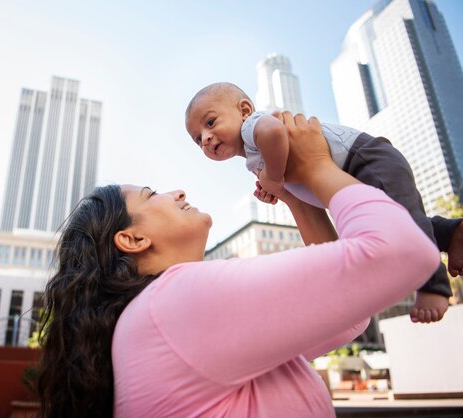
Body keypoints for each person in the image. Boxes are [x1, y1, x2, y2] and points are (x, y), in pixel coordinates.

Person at [37, 112, 441, 417]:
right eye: (151, 194)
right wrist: (319, 167)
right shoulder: (176, 300)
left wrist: (295, 197)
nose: (176, 192)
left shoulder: (163, 314)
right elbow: (404, 249)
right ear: (133, 239)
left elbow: (348, 316)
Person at [185, 82, 463, 323]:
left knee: (404, 221)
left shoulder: (253, 127)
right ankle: (447, 232)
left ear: (244, 110)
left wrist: (273, 178)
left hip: (365, 158)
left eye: (210, 123)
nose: (206, 138)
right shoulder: (251, 156)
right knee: (388, 225)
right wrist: (281, 189)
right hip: (354, 172)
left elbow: (275, 133)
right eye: (198, 139)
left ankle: (433, 285)